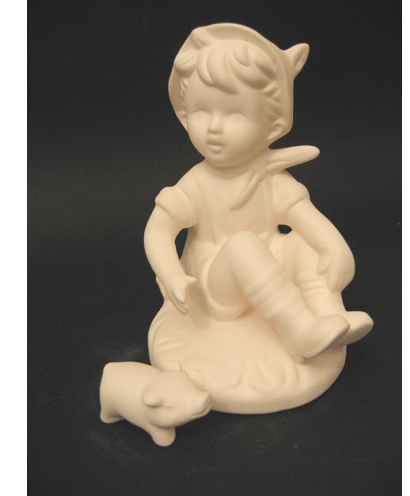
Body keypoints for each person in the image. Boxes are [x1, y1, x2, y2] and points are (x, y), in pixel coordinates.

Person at [144, 23, 373, 365]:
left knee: (306, 244)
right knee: (243, 245)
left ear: (273, 124)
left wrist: (335, 250)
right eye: (201, 111)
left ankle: (330, 317)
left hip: (270, 264)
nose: (214, 128)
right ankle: (300, 331)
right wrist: (172, 275)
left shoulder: (272, 180)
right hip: (216, 285)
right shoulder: (197, 183)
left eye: (235, 114)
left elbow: (308, 220)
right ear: (185, 114)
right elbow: (158, 231)